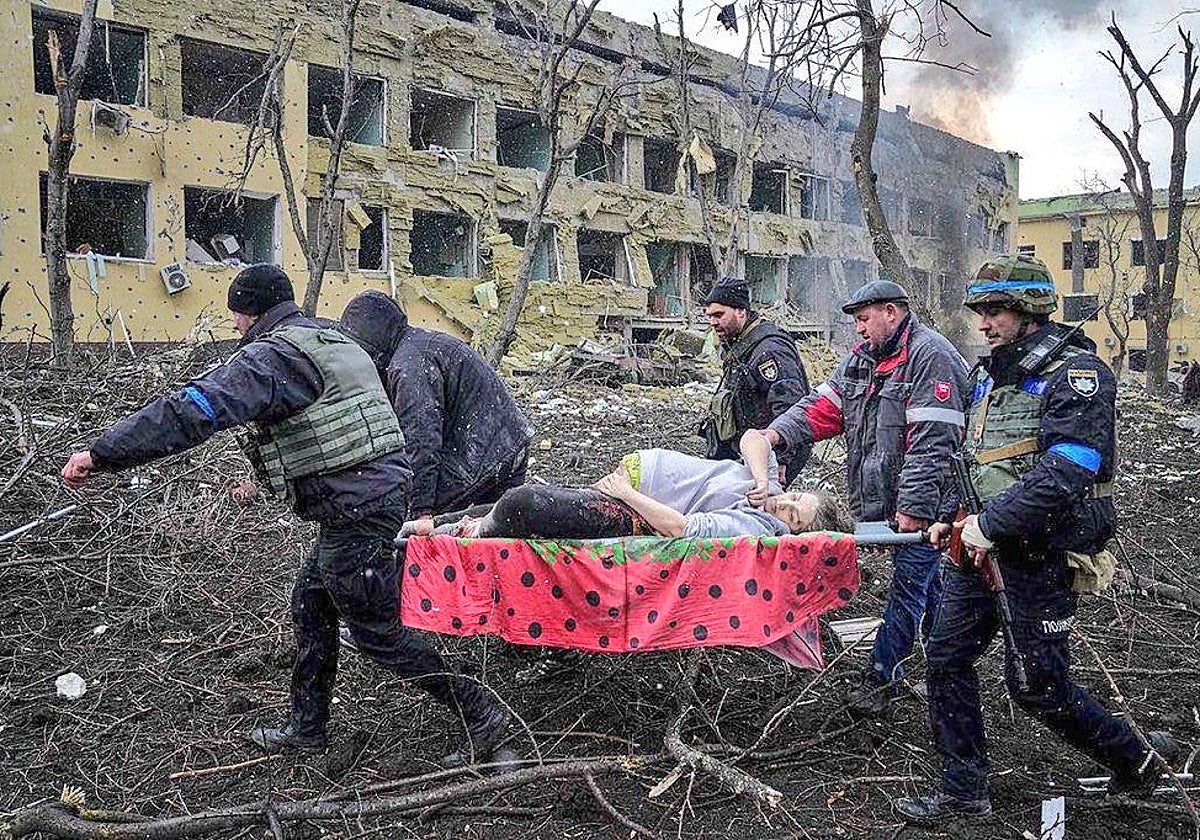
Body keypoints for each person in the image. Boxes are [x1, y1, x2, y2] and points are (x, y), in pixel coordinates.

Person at [60, 264, 508, 767]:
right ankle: (307, 727)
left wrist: (102, 454)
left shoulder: (272, 358)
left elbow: (194, 411)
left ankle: (481, 712)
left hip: (357, 505)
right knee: (311, 602)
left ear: (250, 314)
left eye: (235, 316)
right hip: (369, 496)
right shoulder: (327, 337)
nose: (232, 327)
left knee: (375, 630)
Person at [895, 255, 1179, 822]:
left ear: (1029, 310)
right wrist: (951, 518)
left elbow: (1068, 470)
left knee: (1038, 688)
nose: (984, 323)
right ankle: (962, 791)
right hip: (977, 549)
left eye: (995, 310)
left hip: (1040, 554)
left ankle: (1140, 763)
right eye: (981, 311)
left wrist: (989, 525)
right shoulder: (989, 374)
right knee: (946, 657)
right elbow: (978, 462)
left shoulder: (1077, 374)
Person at [757, 279, 970, 716]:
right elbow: (821, 407)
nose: (858, 330)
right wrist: (776, 434)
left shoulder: (932, 358)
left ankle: (881, 676)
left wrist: (913, 509)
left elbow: (934, 443)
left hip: (928, 504)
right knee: (924, 584)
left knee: (909, 586)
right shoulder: (861, 361)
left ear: (892, 313)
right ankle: (945, 659)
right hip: (885, 503)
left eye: (864, 319)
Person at [408, 430, 852, 541]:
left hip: (634, 510)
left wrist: (626, 493)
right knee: (520, 503)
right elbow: (754, 438)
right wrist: (762, 479)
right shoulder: (766, 487)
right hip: (631, 482)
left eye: (792, 515)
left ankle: (453, 535)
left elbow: (681, 528)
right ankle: (429, 525)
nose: (783, 505)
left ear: (791, 533)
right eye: (794, 498)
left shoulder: (755, 529)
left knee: (520, 504)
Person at [339, 290, 533, 527]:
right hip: (507, 443)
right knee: (490, 537)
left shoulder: (409, 366)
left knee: (417, 530)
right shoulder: (417, 346)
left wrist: (421, 509)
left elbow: (421, 439)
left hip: (482, 453)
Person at [701, 277, 810, 485]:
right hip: (750, 449)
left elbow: (790, 405)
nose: (712, 322)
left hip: (771, 452)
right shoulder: (741, 344)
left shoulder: (769, 350)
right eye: (709, 316)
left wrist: (780, 458)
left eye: (718, 315)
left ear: (741, 311)